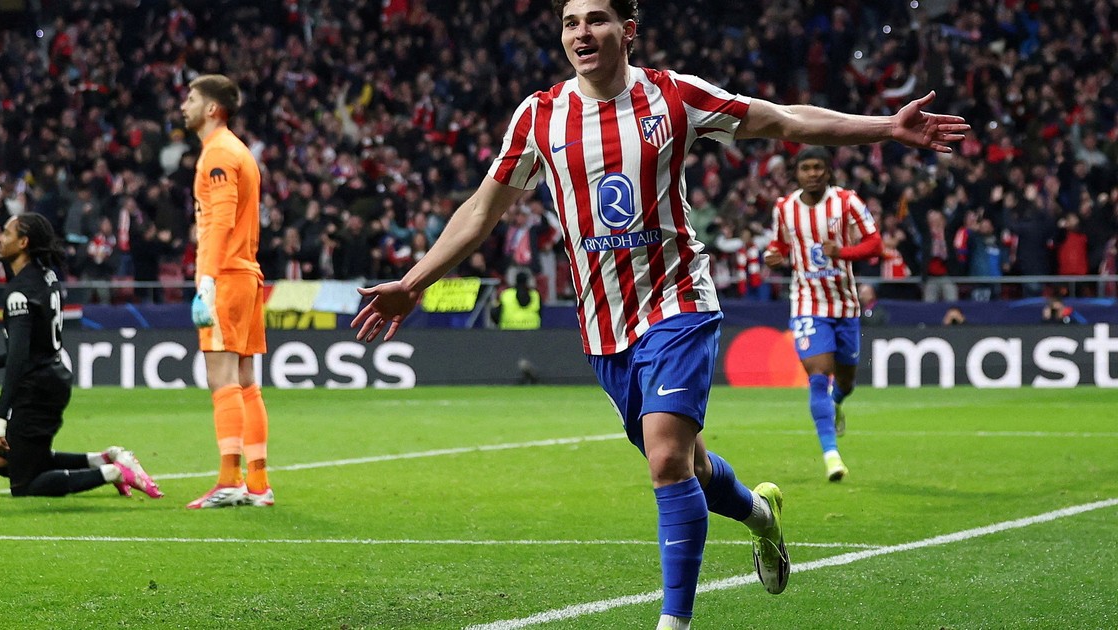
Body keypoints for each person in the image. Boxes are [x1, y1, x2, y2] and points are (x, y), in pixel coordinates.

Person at [351, 2, 967, 628]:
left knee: (667, 460)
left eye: (596, 19)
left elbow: (783, 119)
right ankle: (760, 515)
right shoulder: (539, 116)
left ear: (628, 31)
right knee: (689, 465)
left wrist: (886, 127)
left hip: (678, 301)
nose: (581, 33)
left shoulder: (674, 96)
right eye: (570, 22)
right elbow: (483, 209)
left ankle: (674, 622)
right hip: (604, 324)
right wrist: (414, 282)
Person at [0, 213, 163, 499]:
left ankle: (113, 472)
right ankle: (104, 459)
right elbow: (31, 348)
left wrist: (0, 416)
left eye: (7, 233)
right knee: (5, 463)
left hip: (37, 387)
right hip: (52, 377)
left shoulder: (20, 292)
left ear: (23, 243)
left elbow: (19, 358)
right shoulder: (46, 276)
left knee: (25, 485)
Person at [763, 146, 883, 482]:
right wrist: (773, 255)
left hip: (845, 305)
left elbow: (875, 244)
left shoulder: (846, 201)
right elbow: (780, 245)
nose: (812, 173)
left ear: (828, 171)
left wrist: (842, 251)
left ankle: (837, 403)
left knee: (846, 382)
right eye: (806, 168)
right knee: (818, 375)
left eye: (818, 167)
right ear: (796, 173)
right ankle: (832, 456)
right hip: (807, 303)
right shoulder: (784, 208)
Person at [182, 73, 274, 509]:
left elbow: (219, 220)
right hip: (247, 274)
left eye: (191, 98)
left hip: (227, 276)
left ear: (211, 108)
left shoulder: (218, 152)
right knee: (246, 382)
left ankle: (229, 480)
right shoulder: (240, 151)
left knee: (221, 379)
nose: (184, 105)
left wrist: (206, 281)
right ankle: (257, 483)